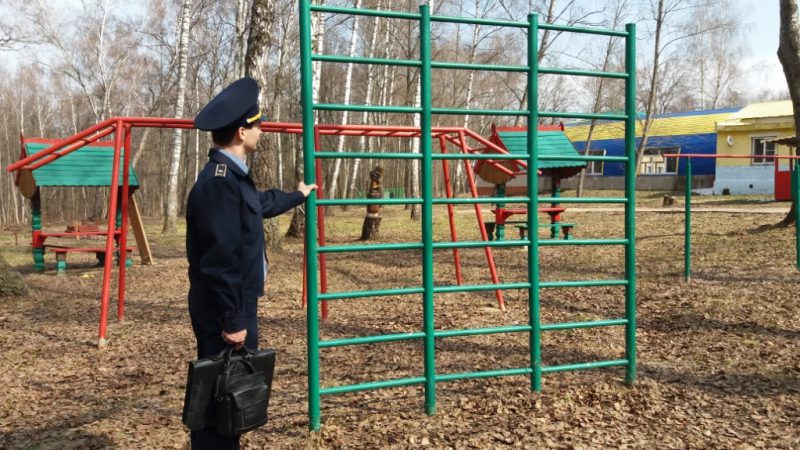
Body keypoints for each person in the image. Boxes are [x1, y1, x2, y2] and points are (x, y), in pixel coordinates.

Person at [185, 77, 316, 450]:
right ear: (242, 132)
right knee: (220, 400)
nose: (262, 131)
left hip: (235, 302)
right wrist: (233, 320)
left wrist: (297, 195)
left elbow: (258, 204)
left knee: (231, 398)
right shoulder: (218, 184)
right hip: (225, 308)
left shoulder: (232, 178)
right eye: (258, 125)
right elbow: (220, 260)